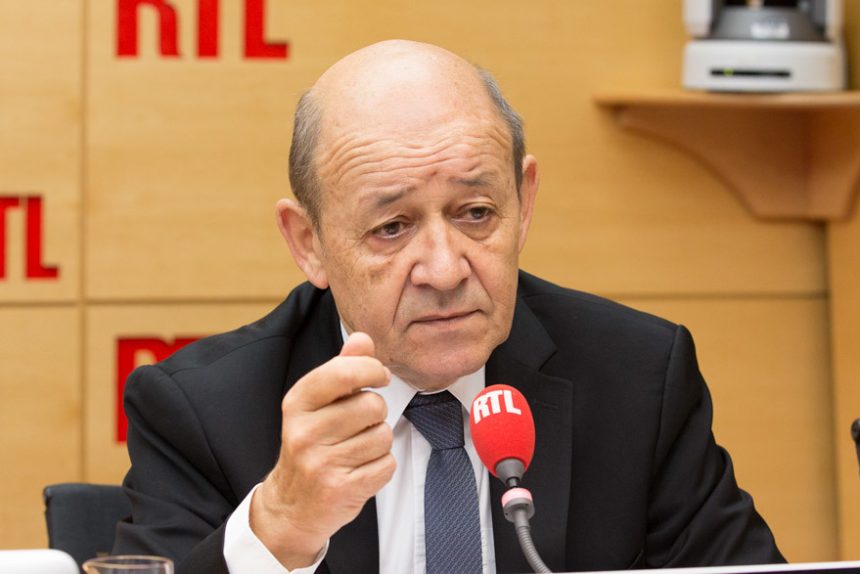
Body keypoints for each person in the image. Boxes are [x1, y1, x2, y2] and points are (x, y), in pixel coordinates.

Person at [113, 40, 784, 573]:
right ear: (308, 242)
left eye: (476, 213)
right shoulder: (205, 412)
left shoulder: (637, 379)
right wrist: (280, 527)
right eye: (391, 228)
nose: (444, 269)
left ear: (524, 202)